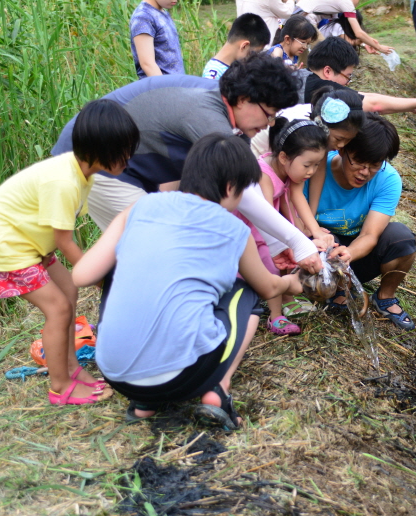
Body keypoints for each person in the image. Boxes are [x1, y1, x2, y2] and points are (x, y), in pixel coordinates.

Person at [74, 134, 303, 428]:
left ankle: (145, 404)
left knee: (115, 273)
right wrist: (291, 284)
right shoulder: (234, 229)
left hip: (116, 374)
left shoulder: (140, 207)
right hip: (182, 377)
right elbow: (269, 286)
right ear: (231, 186)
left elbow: (82, 275)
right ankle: (218, 388)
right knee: (247, 294)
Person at [50, 54, 324, 274]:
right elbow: (243, 194)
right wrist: (297, 241)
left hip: (132, 164)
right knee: (154, 249)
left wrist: (278, 244)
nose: (268, 124)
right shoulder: (207, 115)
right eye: (268, 114)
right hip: (92, 160)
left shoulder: (230, 117)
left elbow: (246, 183)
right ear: (244, 99)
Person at [0, 100, 139, 405]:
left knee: (68, 293)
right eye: (124, 149)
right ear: (102, 147)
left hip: (30, 240)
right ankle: (60, 386)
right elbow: (65, 241)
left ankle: (71, 368)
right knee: (58, 308)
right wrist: (98, 277)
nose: (129, 157)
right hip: (8, 246)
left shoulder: (83, 175)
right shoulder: (64, 181)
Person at [310, 114, 416, 330]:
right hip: (319, 252)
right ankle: (336, 288)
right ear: (342, 148)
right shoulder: (315, 167)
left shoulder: (388, 179)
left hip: (356, 255)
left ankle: (385, 296)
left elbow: (370, 235)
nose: (364, 173)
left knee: (401, 239)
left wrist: (348, 254)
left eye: (375, 165)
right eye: (358, 161)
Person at [245, 118, 332, 335]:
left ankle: (287, 297)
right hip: (256, 226)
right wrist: (289, 240)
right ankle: (275, 316)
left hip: (274, 222)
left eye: (317, 165)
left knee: (288, 255)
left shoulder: (290, 169)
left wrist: (315, 232)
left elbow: (297, 198)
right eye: (307, 165)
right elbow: (265, 217)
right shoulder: (263, 174)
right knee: (272, 262)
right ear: (284, 157)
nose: (311, 171)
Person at [300, 37, 416, 118]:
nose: (347, 83)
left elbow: (365, 96)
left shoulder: (306, 77)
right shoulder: (320, 88)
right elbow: (373, 104)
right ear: (328, 71)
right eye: (347, 76)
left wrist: (412, 106)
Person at [130, 0, 192, 78]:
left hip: (175, 88)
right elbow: (147, 64)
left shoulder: (162, 12)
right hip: (161, 91)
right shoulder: (143, 17)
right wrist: (166, 91)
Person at [296, 0, 390, 54]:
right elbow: (359, 33)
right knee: (322, 52)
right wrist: (380, 48)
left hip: (297, 18)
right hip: (305, 20)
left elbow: (348, 38)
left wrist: (366, 44)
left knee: (305, 59)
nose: (357, 4)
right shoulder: (346, 1)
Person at [202, 13, 270, 81]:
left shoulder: (235, 67)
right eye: (254, 53)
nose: (255, 58)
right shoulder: (214, 75)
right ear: (244, 46)